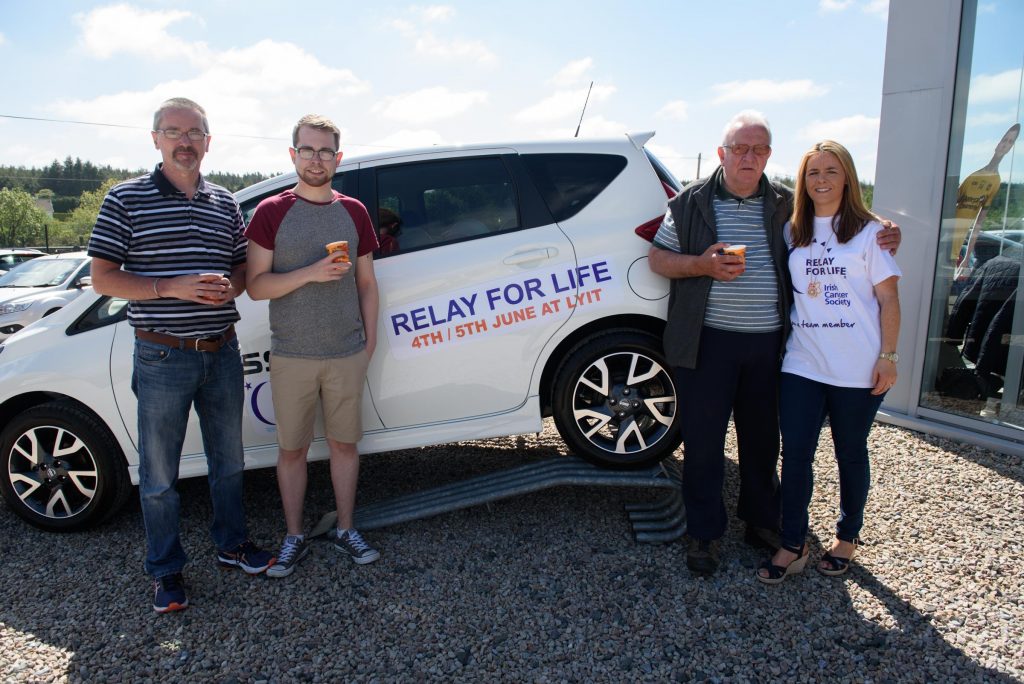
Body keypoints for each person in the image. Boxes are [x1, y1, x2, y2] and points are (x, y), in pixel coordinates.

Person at [647, 111, 901, 576]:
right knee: (703, 443)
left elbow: (837, 219)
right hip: (704, 343)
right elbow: (658, 258)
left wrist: (882, 229)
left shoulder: (787, 203)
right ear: (721, 153)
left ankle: (762, 521)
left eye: (759, 149)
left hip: (771, 346)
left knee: (763, 441)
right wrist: (700, 265)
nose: (749, 157)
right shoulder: (688, 203)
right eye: (739, 148)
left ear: (769, 156)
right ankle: (704, 532)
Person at [88, 97, 274, 614]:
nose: (184, 141)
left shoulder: (225, 203)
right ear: (156, 139)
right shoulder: (124, 199)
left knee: (229, 461)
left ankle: (232, 545)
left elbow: (241, 271)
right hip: (162, 356)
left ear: (208, 142)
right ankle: (166, 571)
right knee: (160, 475)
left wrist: (227, 289)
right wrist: (172, 287)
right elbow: (102, 277)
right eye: (173, 132)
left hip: (222, 350)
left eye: (194, 132)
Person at [756, 140, 901, 584]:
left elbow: (889, 298)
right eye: (813, 172)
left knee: (850, 453)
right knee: (795, 454)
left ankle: (847, 538)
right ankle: (793, 543)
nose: (821, 180)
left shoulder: (871, 233)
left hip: (857, 367)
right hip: (803, 362)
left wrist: (888, 357)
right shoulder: (792, 230)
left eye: (831, 171)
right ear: (803, 181)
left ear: (847, 178)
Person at [245, 114, 381, 577]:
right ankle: (294, 536)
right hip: (292, 356)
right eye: (308, 150)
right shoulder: (270, 212)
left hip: (346, 353)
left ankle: (345, 529)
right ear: (293, 155)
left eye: (325, 151)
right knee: (292, 452)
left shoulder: (355, 211)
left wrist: (369, 342)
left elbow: (367, 283)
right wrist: (310, 273)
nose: (316, 159)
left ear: (338, 158)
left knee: (345, 446)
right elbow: (256, 287)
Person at [950, 123, 1020, 267]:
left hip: (954, 247)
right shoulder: (972, 171)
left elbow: (978, 224)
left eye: (1010, 142)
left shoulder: (995, 181)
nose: (1005, 145)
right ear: (998, 143)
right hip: (941, 234)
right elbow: (950, 201)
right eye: (1004, 140)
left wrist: (967, 257)